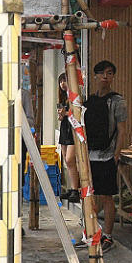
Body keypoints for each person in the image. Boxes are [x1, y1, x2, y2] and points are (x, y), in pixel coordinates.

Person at [84, 60, 127, 253]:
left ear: (113, 77)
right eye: (101, 73)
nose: (105, 77)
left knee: (107, 197)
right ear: (94, 76)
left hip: (107, 156)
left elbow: (122, 130)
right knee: (90, 196)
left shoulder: (117, 101)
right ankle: (92, 233)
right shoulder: (89, 101)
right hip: (89, 155)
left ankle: (108, 236)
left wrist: (116, 156)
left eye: (109, 73)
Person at [57, 72, 80, 203]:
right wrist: (61, 115)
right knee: (67, 161)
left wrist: (66, 113)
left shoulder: (75, 96)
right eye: (60, 81)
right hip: (64, 129)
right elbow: (61, 118)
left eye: (64, 80)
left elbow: (78, 112)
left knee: (70, 159)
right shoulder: (62, 98)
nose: (62, 84)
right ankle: (72, 189)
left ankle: (75, 189)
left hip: (73, 129)